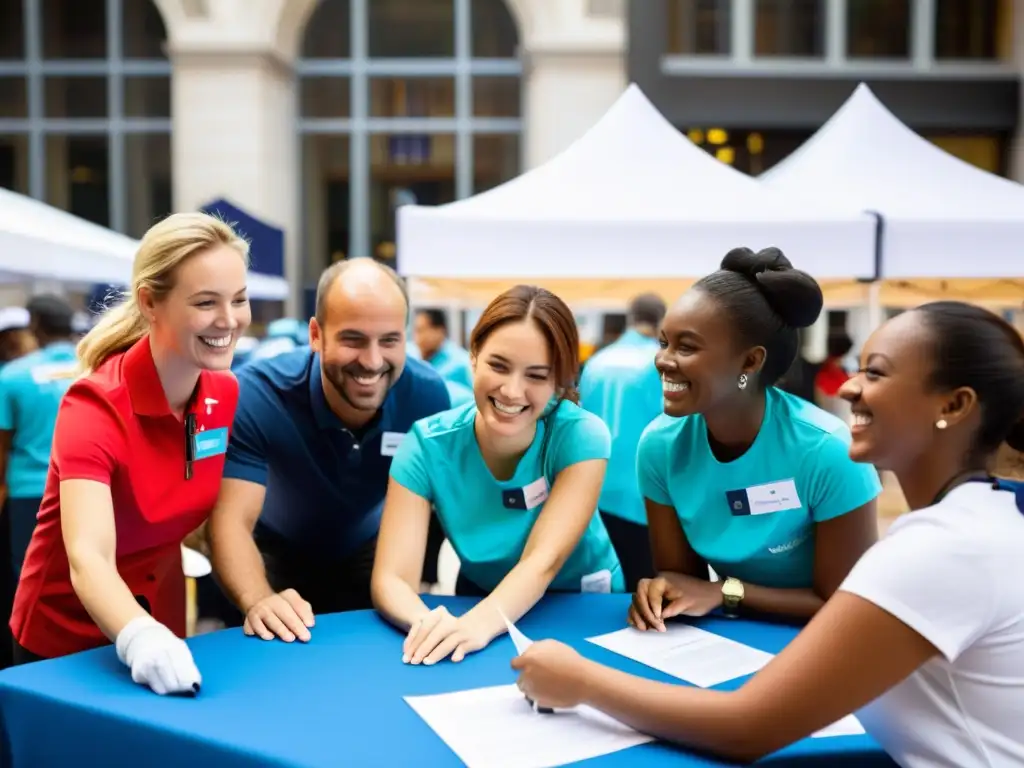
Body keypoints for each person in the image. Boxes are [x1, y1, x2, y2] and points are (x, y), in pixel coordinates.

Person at [512, 300, 1024, 766]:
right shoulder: (973, 523)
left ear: (953, 407)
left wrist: (580, 681)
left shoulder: (944, 547)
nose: (847, 386)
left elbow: (746, 727)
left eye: (876, 373)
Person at [10, 212, 251, 697]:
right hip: (69, 636)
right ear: (150, 302)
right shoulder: (93, 405)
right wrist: (137, 635)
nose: (229, 320)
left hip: (164, 623)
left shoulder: (224, 393)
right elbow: (89, 557)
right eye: (206, 302)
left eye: (239, 299)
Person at [372, 285, 623, 667]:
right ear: (473, 356)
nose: (512, 391)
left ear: (559, 381)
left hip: (582, 605)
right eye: (499, 366)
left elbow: (544, 560)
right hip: (486, 605)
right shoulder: (425, 446)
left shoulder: (580, 435)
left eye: (536, 376)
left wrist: (476, 626)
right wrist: (426, 623)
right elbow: (391, 579)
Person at [630, 247, 880, 625]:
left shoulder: (827, 450)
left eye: (686, 346)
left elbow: (848, 605)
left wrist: (724, 592)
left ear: (750, 361)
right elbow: (683, 585)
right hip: (728, 640)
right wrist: (660, 596)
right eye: (664, 342)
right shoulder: (659, 447)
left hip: (823, 640)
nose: (664, 360)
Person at [208, 259, 450, 643]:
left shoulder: (427, 395)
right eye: (353, 339)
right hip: (273, 552)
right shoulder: (259, 395)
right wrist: (258, 599)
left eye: (389, 340)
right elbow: (230, 522)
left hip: (369, 549)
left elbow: (439, 507)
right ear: (316, 335)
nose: (372, 362)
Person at [579, 293, 666, 591]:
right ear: (660, 322)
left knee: (608, 579)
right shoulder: (662, 363)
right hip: (643, 494)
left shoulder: (596, 361)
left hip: (594, 489)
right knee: (644, 586)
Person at [0, 294, 79, 579]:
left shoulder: (12, 375)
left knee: (30, 576)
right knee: (81, 574)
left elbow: (2, 446)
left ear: (33, 323)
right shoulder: (95, 367)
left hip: (28, 492)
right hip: (88, 488)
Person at [413, 308, 472, 389]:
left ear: (440, 331)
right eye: (416, 331)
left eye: (422, 330)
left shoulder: (458, 365)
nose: (418, 338)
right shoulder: (417, 357)